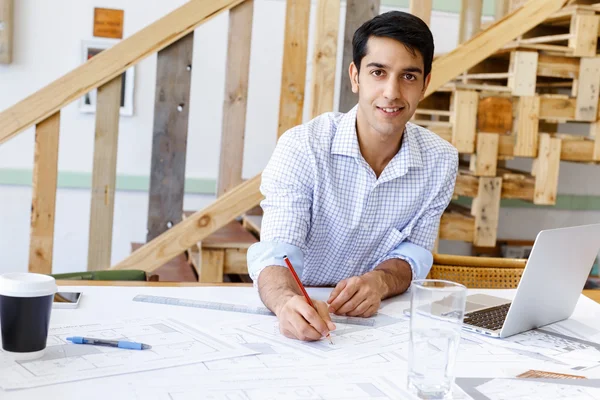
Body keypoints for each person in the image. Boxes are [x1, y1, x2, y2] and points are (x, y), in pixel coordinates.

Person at [247, 11, 458, 342]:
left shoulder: (441, 160)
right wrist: (287, 302)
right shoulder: (303, 146)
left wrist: (381, 281)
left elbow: (416, 252)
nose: (391, 92)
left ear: (425, 84)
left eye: (408, 76)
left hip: (380, 323)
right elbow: (276, 253)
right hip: (302, 309)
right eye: (378, 72)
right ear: (355, 76)